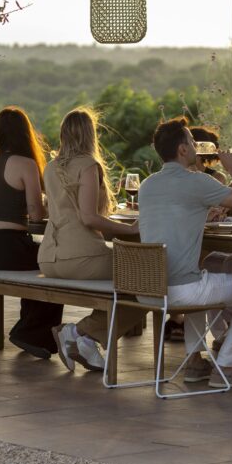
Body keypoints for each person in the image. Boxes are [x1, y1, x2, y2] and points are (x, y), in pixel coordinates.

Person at [137, 117, 232, 388]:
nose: (195, 147)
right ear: (182, 150)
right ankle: (227, 366)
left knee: (200, 274)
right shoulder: (197, 181)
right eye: (192, 142)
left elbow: (177, 214)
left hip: (149, 288)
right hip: (181, 290)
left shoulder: (147, 185)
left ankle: (194, 362)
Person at [39, 108, 143, 373]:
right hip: (79, 256)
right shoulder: (87, 165)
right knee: (145, 282)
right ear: (90, 135)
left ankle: (85, 338)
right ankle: (81, 333)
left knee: (138, 282)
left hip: (49, 258)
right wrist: (131, 229)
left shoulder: (50, 168)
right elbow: (88, 218)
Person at [0, 107, 61, 359]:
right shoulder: (26, 164)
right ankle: (31, 332)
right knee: (53, 263)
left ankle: (28, 327)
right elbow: (36, 215)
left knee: (38, 256)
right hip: (7, 248)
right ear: (26, 133)